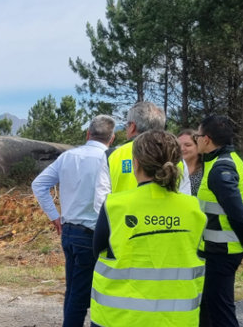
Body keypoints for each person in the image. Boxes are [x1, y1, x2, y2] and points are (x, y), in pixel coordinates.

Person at [91, 130, 207, 327]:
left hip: (118, 317)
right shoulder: (193, 208)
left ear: (136, 163)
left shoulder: (114, 206)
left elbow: (98, 251)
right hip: (177, 319)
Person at [31, 115, 117, 327]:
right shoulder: (110, 159)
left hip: (69, 231)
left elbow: (39, 185)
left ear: (88, 134)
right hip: (92, 233)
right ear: (112, 138)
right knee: (82, 295)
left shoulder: (68, 157)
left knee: (73, 291)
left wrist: (55, 217)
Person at [195, 115, 243, 327]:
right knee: (216, 307)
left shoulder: (220, 169)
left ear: (206, 139)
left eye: (197, 136)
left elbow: (236, 212)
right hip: (225, 249)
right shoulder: (237, 164)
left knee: (221, 313)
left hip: (220, 252)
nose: (196, 139)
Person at [95, 101, 191, 214]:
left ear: (132, 126)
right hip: (167, 225)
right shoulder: (176, 156)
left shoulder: (112, 155)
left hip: (124, 226)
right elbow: (185, 199)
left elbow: (101, 204)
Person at [178, 129, 204, 196]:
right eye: (178, 145)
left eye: (187, 145)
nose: (182, 148)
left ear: (198, 146)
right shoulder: (170, 169)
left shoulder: (205, 172)